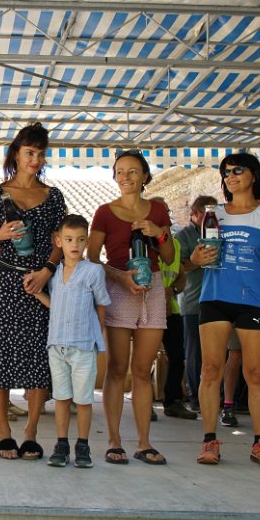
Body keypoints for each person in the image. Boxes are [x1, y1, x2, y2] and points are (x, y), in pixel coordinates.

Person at [189, 153, 260, 468]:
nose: (230, 176)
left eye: (237, 170)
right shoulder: (214, 214)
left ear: (253, 174)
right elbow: (196, 258)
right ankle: (209, 440)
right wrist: (195, 259)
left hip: (253, 301)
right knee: (210, 369)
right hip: (215, 297)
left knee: (256, 373)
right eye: (226, 172)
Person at [0, 122, 66, 460]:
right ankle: (3, 430)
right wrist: (0, 235)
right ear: (16, 154)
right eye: (30, 152)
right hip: (6, 283)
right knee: (0, 353)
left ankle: (31, 432)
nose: (35, 159)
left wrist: (47, 271)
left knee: (39, 357)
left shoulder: (54, 196)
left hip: (42, 284)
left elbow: (61, 241)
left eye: (41, 154)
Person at [88, 149, 174, 465]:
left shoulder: (158, 211)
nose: (125, 177)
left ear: (145, 176)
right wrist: (119, 277)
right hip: (119, 287)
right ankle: (114, 441)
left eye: (133, 171)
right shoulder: (105, 212)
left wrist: (159, 234)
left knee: (142, 370)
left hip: (152, 288)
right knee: (116, 368)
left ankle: (144, 443)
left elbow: (169, 258)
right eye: (120, 171)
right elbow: (92, 259)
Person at [32, 214, 109, 468]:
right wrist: (36, 293)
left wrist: (98, 335)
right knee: (62, 398)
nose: (74, 244)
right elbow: (55, 305)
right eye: (68, 239)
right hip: (57, 345)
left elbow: (101, 305)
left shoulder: (93, 272)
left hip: (83, 346)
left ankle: (83, 446)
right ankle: (62, 444)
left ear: (87, 241)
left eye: (80, 239)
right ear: (59, 241)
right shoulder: (54, 275)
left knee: (83, 399)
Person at [150, 196, 196, 420]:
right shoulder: (142, 243)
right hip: (148, 309)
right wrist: (161, 294)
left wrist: (172, 291)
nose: (165, 216)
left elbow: (181, 277)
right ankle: (144, 404)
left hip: (172, 310)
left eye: (166, 212)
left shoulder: (175, 244)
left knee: (177, 357)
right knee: (144, 359)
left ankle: (173, 401)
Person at [175, 196, 217, 412]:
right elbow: (179, 266)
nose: (214, 218)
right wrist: (196, 261)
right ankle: (195, 397)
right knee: (194, 353)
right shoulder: (183, 236)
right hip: (193, 301)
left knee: (216, 353)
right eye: (210, 214)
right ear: (198, 213)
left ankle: (215, 397)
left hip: (217, 300)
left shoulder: (217, 232)